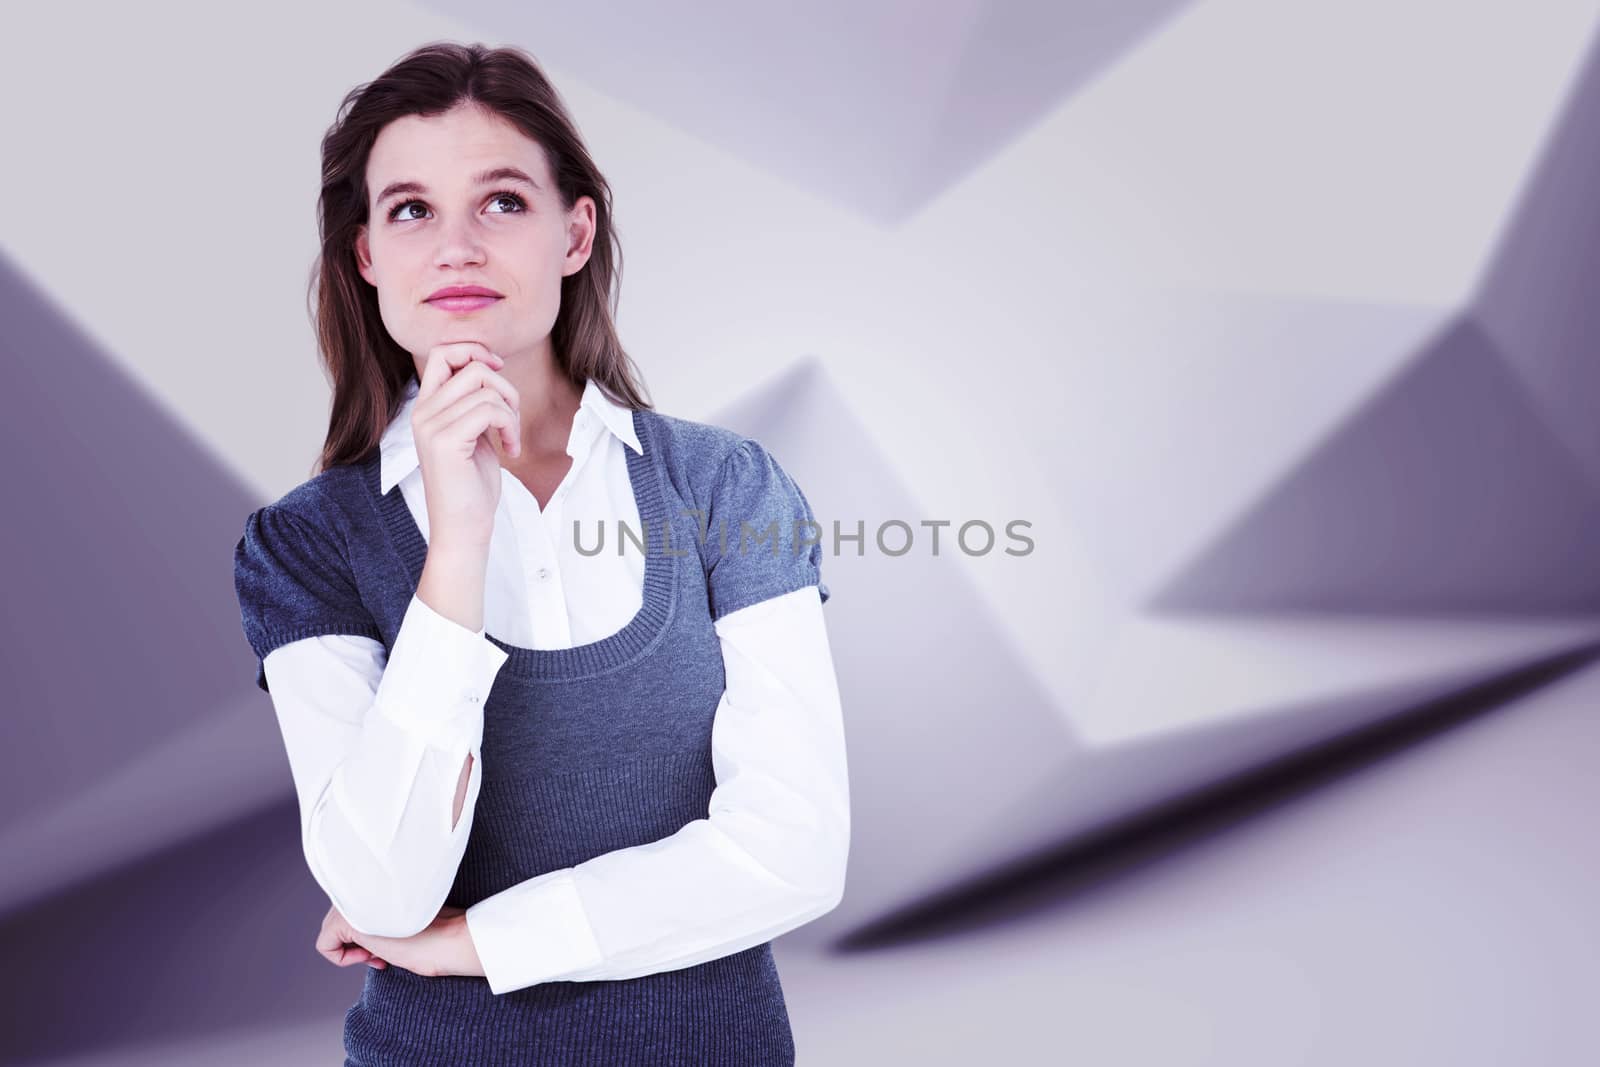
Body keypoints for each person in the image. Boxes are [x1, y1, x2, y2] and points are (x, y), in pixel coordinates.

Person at [231, 40, 848, 1066]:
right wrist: (458, 544)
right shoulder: (306, 545)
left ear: (575, 231)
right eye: (411, 209)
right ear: (367, 257)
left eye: (503, 201)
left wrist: (470, 942)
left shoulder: (725, 489)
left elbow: (794, 851)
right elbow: (385, 887)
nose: (458, 246)